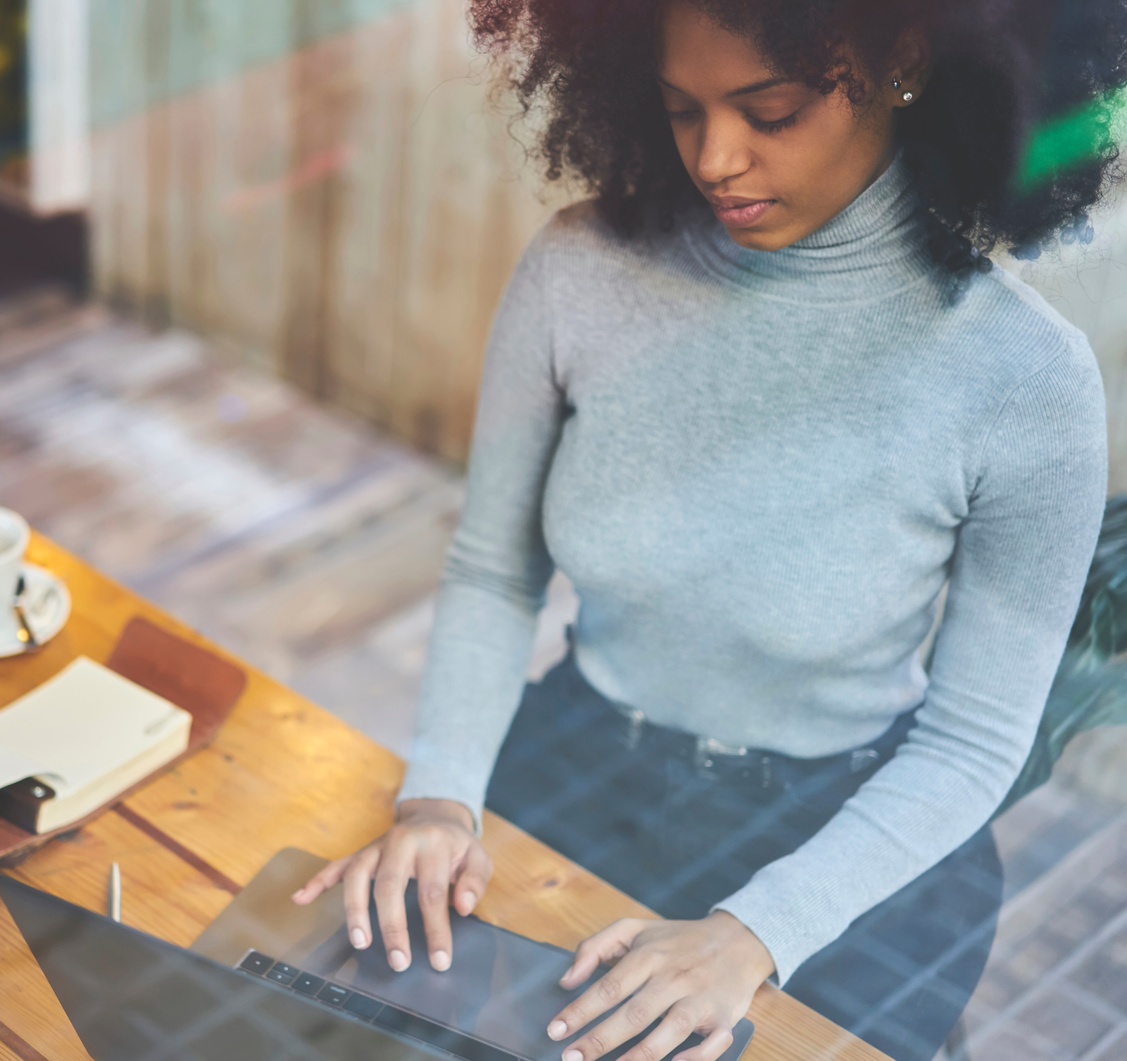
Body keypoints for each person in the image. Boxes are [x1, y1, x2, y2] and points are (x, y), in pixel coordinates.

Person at [292, 2, 1127, 1060]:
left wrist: (754, 933)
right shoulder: (579, 270)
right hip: (577, 764)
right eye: (679, 109)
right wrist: (439, 797)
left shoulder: (1024, 379)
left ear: (904, 62)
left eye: (767, 110)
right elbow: (494, 572)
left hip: (842, 831)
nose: (715, 158)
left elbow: (972, 740)